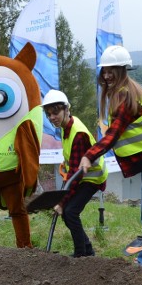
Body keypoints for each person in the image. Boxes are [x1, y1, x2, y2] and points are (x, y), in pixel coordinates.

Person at [79, 45, 142, 267]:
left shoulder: (126, 97)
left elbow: (111, 136)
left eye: (112, 70)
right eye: (104, 70)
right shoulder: (121, 92)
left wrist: (88, 156)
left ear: (123, 71)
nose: (107, 75)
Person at [42, 89, 107, 257]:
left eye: (55, 112)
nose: (52, 117)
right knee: (68, 212)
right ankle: (87, 250)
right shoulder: (66, 126)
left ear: (66, 110)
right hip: (79, 175)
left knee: (70, 211)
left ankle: (80, 255)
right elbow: (72, 164)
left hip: (91, 177)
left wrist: (61, 202)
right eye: (49, 114)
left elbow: (76, 176)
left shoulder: (78, 134)